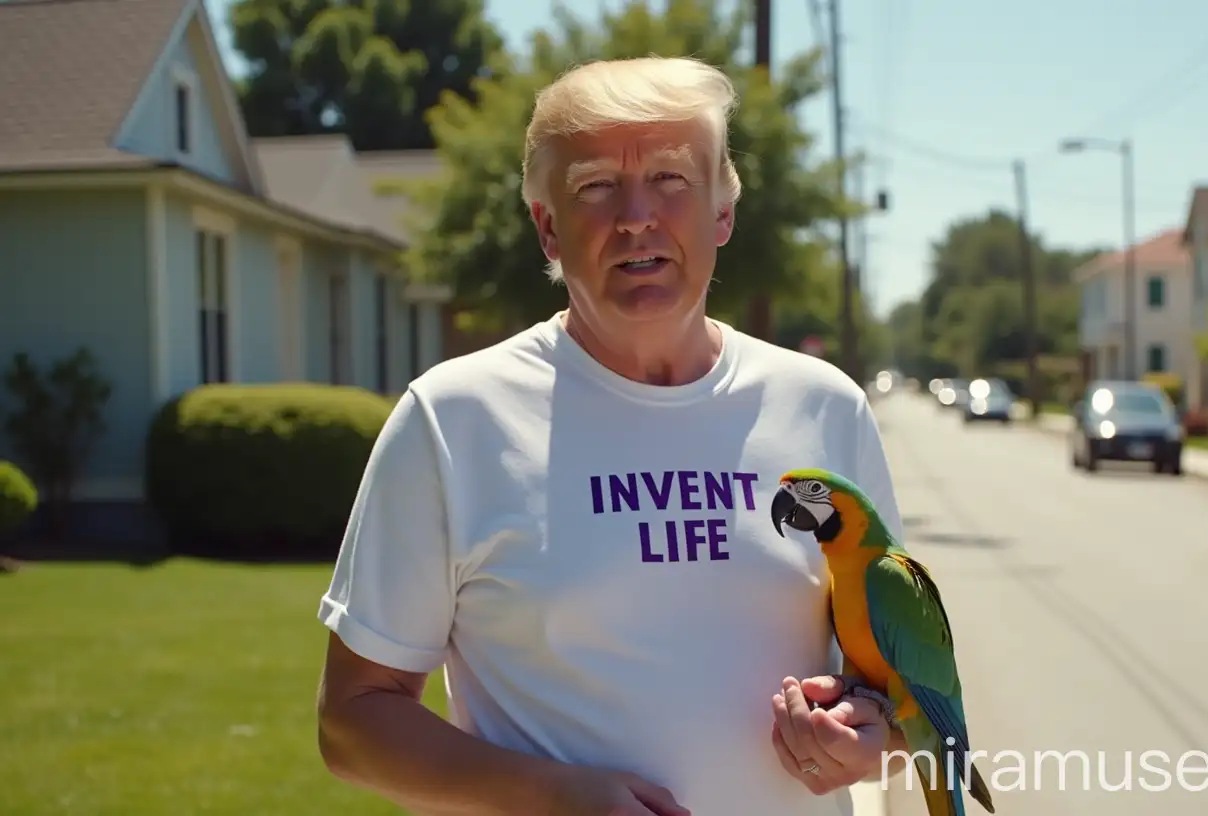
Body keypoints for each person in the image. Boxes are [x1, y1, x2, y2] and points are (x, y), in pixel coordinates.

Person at [314, 55, 909, 816]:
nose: (636, 216)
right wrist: (551, 795)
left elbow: (901, 701)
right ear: (548, 226)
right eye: (596, 186)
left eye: (670, 179)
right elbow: (353, 720)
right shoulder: (454, 421)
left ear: (722, 212)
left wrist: (867, 737)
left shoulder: (825, 408)